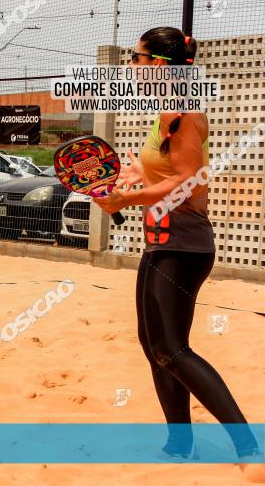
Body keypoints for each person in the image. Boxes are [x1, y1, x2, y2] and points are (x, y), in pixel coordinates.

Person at [94, 27, 262, 479]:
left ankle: (248, 445)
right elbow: (169, 172)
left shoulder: (186, 114)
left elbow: (188, 182)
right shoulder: (166, 113)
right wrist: (136, 173)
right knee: (156, 348)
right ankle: (180, 444)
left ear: (162, 66)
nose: (132, 65)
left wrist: (127, 200)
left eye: (137, 56)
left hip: (183, 244)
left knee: (173, 348)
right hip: (163, 240)